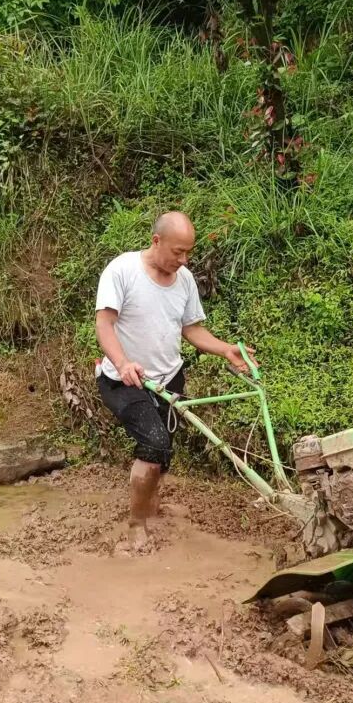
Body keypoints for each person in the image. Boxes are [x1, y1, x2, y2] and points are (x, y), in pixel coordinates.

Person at [95, 211, 254, 550]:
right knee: (154, 444)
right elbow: (104, 324)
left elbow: (192, 328)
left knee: (163, 453)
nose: (184, 260)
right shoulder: (122, 271)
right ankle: (136, 525)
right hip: (125, 381)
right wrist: (122, 363)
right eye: (177, 252)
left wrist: (226, 349)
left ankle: (150, 506)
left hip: (169, 378)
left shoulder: (183, 280)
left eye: (188, 253)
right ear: (156, 241)